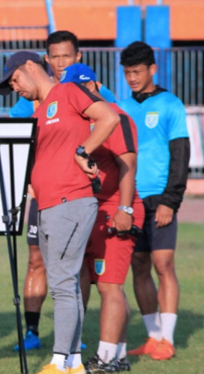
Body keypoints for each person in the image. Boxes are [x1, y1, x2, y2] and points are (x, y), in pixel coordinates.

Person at [0, 51, 120, 374]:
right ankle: (75, 363)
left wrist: (84, 151)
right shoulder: (37, 114)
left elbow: (109, 117)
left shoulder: (67, 91)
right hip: (48, 205)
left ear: (29, 67)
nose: (16, 87)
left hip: (71, 201)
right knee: (64, 284)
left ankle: (58, 361)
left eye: (15, 79)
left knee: (64, 283)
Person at [60, 63, 143, 373]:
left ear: (93, 86)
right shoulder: (84, 121)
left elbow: (127, 166)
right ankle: (117, 356)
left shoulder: (115, 117)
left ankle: (106, 359)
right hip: (90, 208)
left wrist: (125, 209)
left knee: (110, 285)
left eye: (80, 89)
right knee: (97, 282)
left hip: (115, 207)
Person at [119, 41, 190, 361]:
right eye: (127, 73)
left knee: (164, 265)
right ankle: (152, 337)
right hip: (129, 201)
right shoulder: (121, 107)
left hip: (160, 199)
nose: (132, 78)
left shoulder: (170, 104)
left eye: (136, 72)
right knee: (139, 265)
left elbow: (180, 156)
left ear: (152, 69)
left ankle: (168, 339)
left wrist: (170, 201)